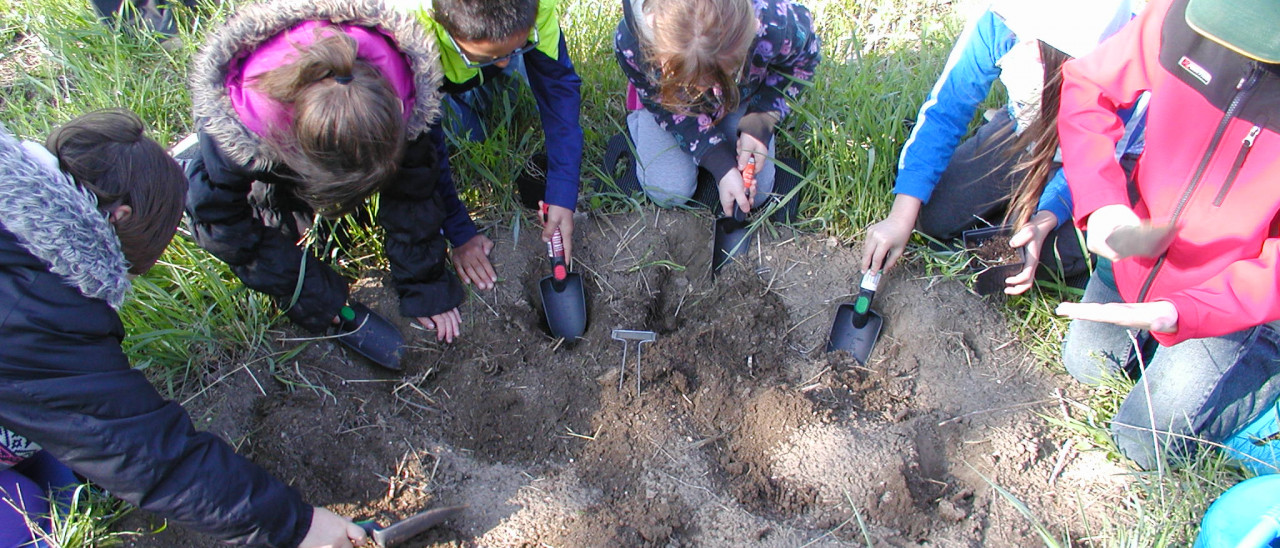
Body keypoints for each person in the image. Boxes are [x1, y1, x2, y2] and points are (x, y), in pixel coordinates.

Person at [0, 110, 367, 546]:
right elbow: (146, 455)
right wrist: (299, 527)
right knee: (29, 517)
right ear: (117, 216)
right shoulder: (37, 311)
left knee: (64, 471)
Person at [1055, 0, 1280, 470]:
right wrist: (1102, 203)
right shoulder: (1187, 14)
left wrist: (1185, 311)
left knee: (1142, 440)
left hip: (1235, 301)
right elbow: (1089, 84)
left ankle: (1265, 352)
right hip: (1138, 257)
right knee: (1086, 364)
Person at [186, 0, 467, 344]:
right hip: (271, 132)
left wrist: (426, 287)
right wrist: (308, 291)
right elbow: (220, 222)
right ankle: (290, 211)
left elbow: (414, 194)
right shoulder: (240, 125)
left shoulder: (404, 88)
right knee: (274, 214)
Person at [860, 0, 1142, 295]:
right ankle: (1012, 211)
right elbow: (945, 110)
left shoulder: (1124, 55)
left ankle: (1043, 228)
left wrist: (1045, 219)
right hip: (1025, 131)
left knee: (1044, 257)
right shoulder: (1001, 21)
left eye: (1035, 38)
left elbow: (1098, 162)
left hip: (1110, 165)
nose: (1021, 40)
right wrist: (899, 217)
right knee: (930, 216)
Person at [388, 0, 585, 276]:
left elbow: (559, 92)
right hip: (432, 71)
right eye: (490, 55)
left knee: (512, 96)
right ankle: (461, 90)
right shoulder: (408, 36)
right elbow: (423, 150)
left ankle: (487, 67)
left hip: (473, 56)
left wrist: (563, 192)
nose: (505, 62)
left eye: (519, 46)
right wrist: (458, 230)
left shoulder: (536, 7)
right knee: (467, 133)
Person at [614, 0, 821, 218]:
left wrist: (761, 120)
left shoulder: (774, 23)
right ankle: (643, 121)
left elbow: (802, 62)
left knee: (759, 191)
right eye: (693, 81)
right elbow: (664, 106)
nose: (706, 89)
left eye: (725, 72)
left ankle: (731, 112)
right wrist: (719, 163)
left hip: (740, 96)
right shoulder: (634, 43)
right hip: (672, 104)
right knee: (667, 191)